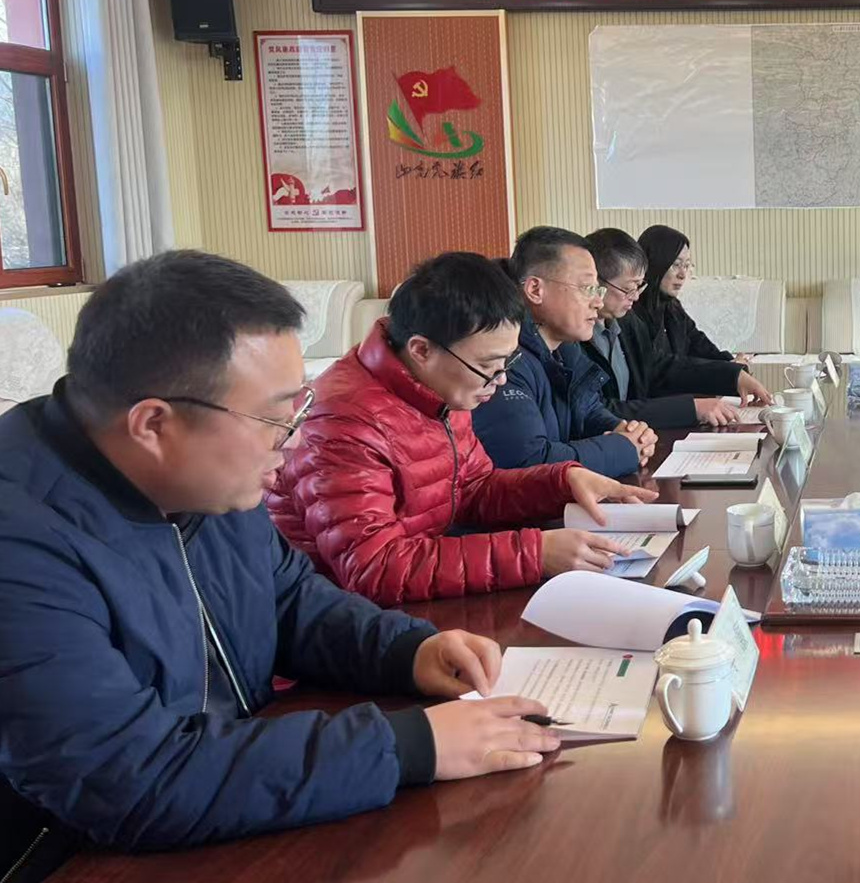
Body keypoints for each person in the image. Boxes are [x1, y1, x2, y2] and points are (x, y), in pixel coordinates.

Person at [0, 252, 563, 883]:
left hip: (233, 811)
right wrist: (409, 745)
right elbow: (126, 778)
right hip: (73, 871)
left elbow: (292, 600)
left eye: (299, 407)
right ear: (153, 424)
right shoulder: (23, 541)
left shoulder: (199, 477)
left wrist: (409, 651)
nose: (293, 442)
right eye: (275, 418)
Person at [267, 252, 657, 606]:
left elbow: (472, 490)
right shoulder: (343, 421)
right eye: (488, 366)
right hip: (342, 622)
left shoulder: (438, 387)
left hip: (416, 599)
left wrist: (562, 481)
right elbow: (374, 567)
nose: (501, 380)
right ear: (422, 349)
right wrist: (534, 553)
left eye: (507, 362)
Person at [471, 227, 656, 478]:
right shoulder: (504, 359)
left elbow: (588, 410)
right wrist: (622, 449)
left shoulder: (566, 349)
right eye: (587, 288)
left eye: (598, 290)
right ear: (535, 290)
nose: (597, 302)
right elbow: (529, 461)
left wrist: (627, 432)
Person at [582, 228, 772, 430]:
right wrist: (691, 409)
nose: (635, 296)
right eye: (628, 289)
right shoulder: (576, 335)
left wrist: (732, 376)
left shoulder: (627, 321)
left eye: (639, 286)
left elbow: (659, 368)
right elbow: (595, 411)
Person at [636, 223, 739, 362]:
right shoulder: (632, 311)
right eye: (676, 265)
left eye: (686, 265)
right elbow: (660, 366)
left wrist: (731, 364)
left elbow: (700, 345)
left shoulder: (673, 307)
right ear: (655, 263)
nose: (682, 275)